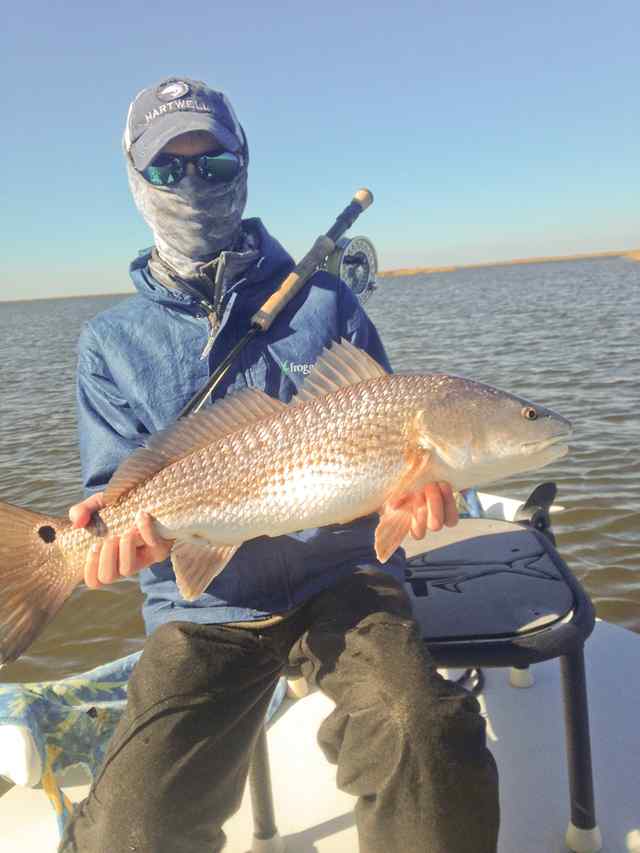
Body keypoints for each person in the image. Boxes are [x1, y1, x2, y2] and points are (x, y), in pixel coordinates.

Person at [59, 77, 499, 853]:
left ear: (245, 167)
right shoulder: (109, 344)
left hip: (342, 582)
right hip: (206, 609)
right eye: (169, 169)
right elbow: (110, 495)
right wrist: (114, 538)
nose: (193, 185)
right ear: (136, 181)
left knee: (424, 736)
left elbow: (393, 468)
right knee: (128, 827)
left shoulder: (328, 306)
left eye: (215, 164)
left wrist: (418, 498)